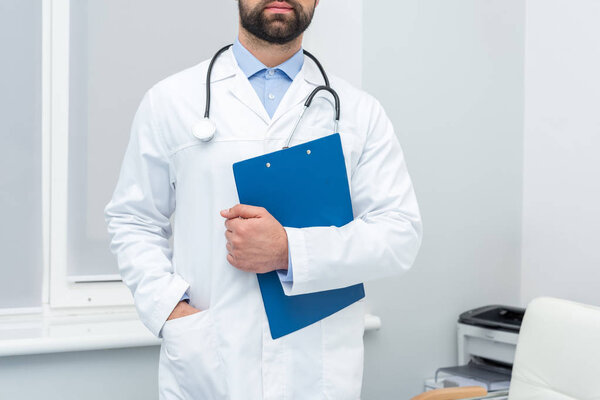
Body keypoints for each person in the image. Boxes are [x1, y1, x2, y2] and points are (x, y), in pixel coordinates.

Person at [104, 0, 422, 399]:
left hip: (317, 371)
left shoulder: (360, 113)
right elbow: (134, 220)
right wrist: (170, 310)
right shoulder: (169, 102)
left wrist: (290, 250)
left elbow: (399, 234)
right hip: (211, 362)